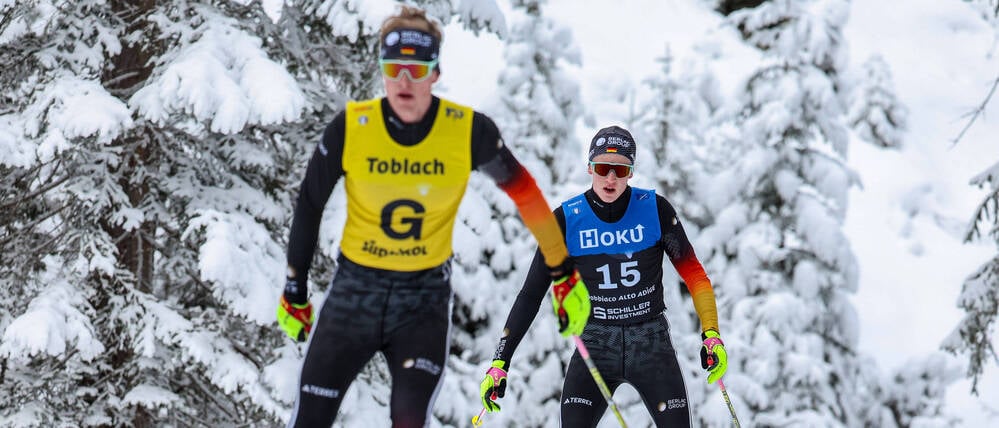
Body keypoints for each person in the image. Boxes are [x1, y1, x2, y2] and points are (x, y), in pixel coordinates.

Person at [274, 5, 591, 428]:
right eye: (394, 68)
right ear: (382, 70)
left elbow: (526, 195)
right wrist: (295, 287)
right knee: (309, 418)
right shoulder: (352, 127)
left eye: (417, 69)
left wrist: (562, 269)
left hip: (421, 301)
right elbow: (310, 203)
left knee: (410, 419)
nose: (404, 81)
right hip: (354, 294)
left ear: (436, 73)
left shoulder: (467, 132)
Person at [478, 126, 729, 427]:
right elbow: (530, 294)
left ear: (631, 173)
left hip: (650, 346)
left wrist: (711, 333)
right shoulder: (567, 220)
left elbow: (695, 276)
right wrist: (499, 363)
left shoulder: (655, 210)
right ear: (590, 168)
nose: (611, 178)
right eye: (603, 168)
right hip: (596, 346)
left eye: (620, 170)